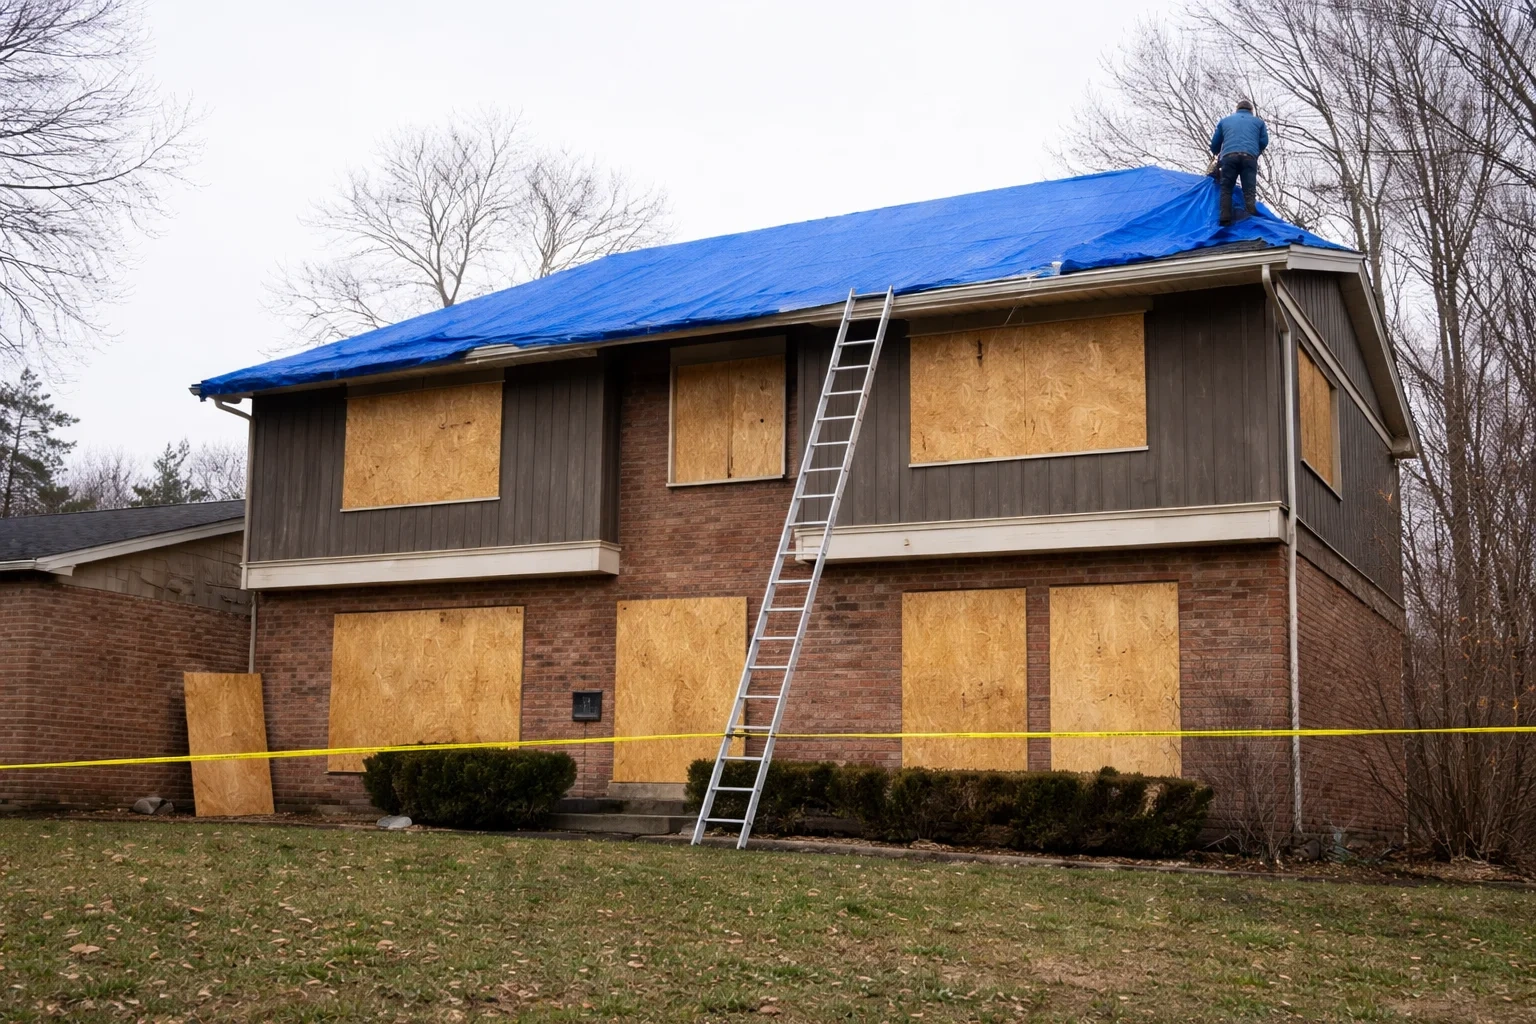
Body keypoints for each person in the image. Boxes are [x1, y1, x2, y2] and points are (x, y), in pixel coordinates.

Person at [1209, 98, 1269, 225]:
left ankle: (1225, 218)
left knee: (1226, 188)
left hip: (1229, 157)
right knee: (1249, 189)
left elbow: (1215, 144)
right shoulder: (1259, 122)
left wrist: (1215, 151)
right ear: (1251, 111)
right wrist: (1255, 152)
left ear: (1237, 109)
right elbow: (1264, 141)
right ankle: (1251, 217)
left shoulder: (1225, 121)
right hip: (1249, 157)